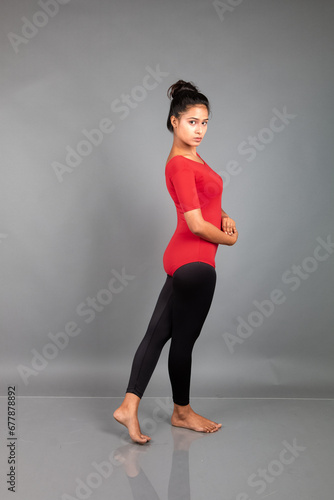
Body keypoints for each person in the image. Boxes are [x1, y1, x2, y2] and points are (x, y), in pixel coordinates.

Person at [114, 80, 238, 444]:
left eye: (204, 123)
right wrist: (228, 237)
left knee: (156, 334)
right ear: (173, 122)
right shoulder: (181, 164)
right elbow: (196, 223)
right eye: (191, 122)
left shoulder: (193, 159)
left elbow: (203, 203)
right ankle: (182, 411)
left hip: (182, 259)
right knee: (182, 343)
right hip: (196, 263)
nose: (199, 130)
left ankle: (128, 406)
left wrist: (225, 215)